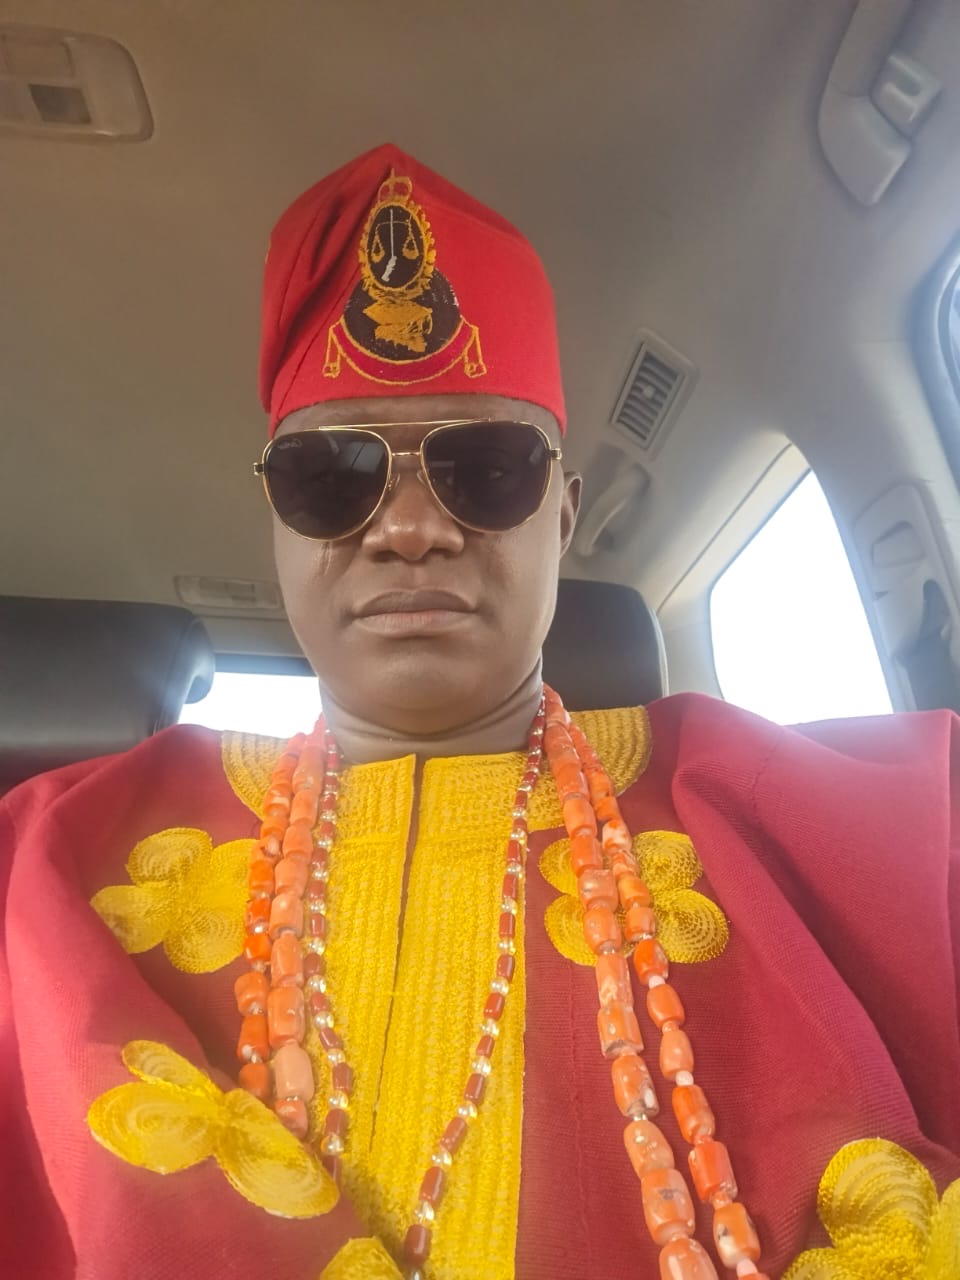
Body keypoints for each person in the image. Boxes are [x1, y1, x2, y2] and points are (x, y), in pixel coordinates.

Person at [1, 143, 958, 1280]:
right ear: (276, 523)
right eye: (332, 474)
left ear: (564, 516)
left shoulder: (853, 819)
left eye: (489, 468)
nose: (410, 527)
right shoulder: (48, 854)